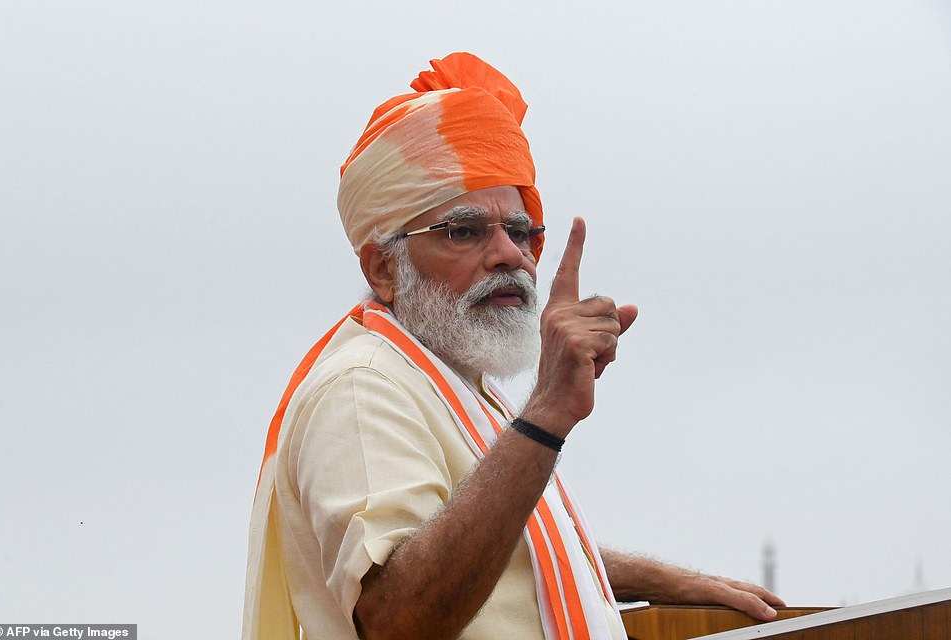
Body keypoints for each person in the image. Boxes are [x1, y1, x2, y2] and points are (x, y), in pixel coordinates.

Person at [243, 52, 784, 640]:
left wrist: (664, 581)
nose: (509, 255)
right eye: (465, 231)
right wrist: (547, 413)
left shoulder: (453, 383)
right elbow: (399, 614)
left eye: (520, 230)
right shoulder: (365, 387)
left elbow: (503, 549)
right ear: (383, 271)